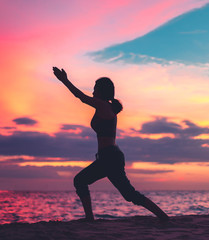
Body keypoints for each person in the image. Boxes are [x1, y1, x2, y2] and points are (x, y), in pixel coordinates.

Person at [53, 67, 169, 221]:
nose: (93, 92)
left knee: (82, 181)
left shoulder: (103, 106)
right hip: (108, 157)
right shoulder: (105, 107)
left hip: (110, 157)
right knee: (129, 194)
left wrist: (64, 80)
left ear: (101, 91)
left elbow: (80, 96)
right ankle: (163, 217)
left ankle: (90, 219)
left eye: (95, 89)